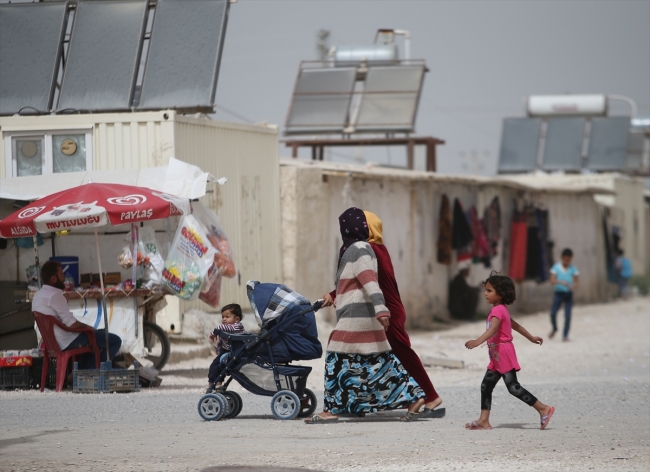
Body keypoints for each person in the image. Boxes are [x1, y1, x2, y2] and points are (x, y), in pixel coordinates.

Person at [306, 208, 425, 423]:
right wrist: (335, 296)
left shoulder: (358, 249)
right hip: (361, 317)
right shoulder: (360, 248)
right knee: (376, 363)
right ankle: (414, 397)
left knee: (336, 360)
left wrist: (382, 310)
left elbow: (370, 281)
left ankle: (331, 411)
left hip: (355, 318)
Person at [464, 272, 555, 430]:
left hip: (503, 353)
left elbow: (493, 329)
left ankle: (543, 408)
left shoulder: (498, 310)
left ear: (500, 295)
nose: (486, 293)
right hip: (496, 354)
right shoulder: (500, 309)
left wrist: (477, 341)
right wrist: (531, 338)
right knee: (486, 385)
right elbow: (515, 325)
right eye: (486, 290)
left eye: (490, 290)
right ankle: (483, 420)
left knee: (513, 387)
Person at [32, 261, 122, 372]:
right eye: (62, 275)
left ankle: (77, 373)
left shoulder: (38, 295)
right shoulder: (55, 294)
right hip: (66, 341)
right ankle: (89, 373)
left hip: (52, 342)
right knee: (115, 340)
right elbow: (71, 324)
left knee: (97, 337)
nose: (64, 278)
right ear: (53, 279)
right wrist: (89, 328)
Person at [207, 303, 245, 390]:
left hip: (233, 351)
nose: (224, 319)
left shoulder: (237, 326)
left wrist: (214, 333)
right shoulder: (230, 326)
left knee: (216, 365)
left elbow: (222, 328)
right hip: (228, 350)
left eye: (227, 317)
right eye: (223, 317)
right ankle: (214, 383)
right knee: (216, 365)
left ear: (237, 319)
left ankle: (213, 384)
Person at [549, 248, 579, 341]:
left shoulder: (573, 269)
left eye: (569, 259)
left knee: (568, 315)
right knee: (553, 313)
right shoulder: (556, 268)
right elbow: (552, 280)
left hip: (568, 294)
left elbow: (576, 282)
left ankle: (565, 335)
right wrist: (561, 282)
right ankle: (555, 328)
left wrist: (572, 287)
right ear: (562, 258)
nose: (567, 261)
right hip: (558, 293)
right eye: (566, 259)